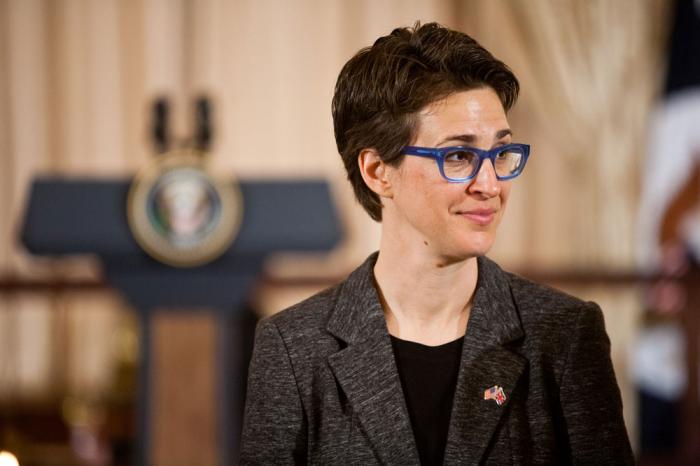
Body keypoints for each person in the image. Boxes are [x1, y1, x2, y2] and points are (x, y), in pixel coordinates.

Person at [240, 22, 634, 465]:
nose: (490, 184)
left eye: (500, 154)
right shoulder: (292, 347)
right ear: (376, 171)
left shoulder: (564, 335)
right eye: (459, 156)